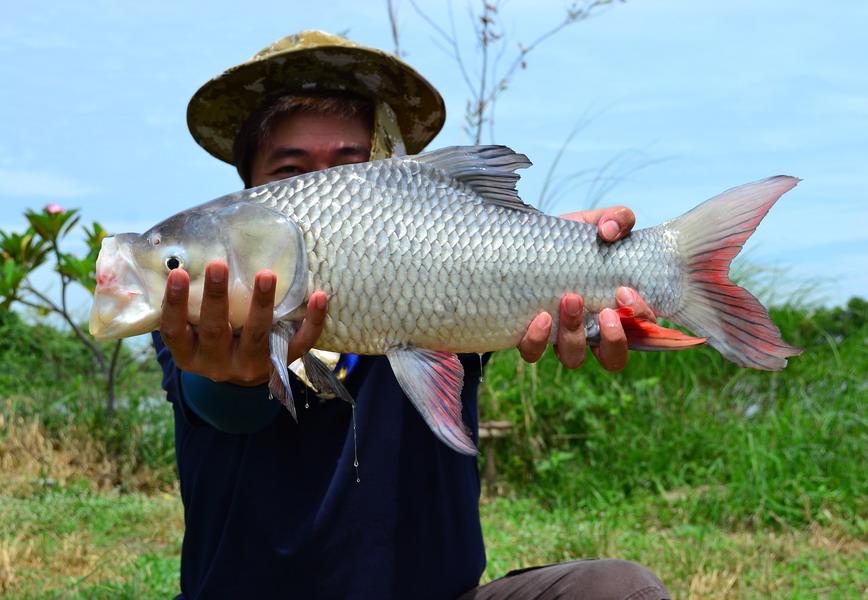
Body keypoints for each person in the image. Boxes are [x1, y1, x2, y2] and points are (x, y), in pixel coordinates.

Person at [153, 31, 671, 599]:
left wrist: (577, 262)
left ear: (393, 176)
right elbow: (223, 406)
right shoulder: (195, 297)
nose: (324, 192)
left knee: (622, 590)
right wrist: (235, 372)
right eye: (292, 173)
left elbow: (512, 263)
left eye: (350, 166)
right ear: (248, 194)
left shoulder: (446, 261)